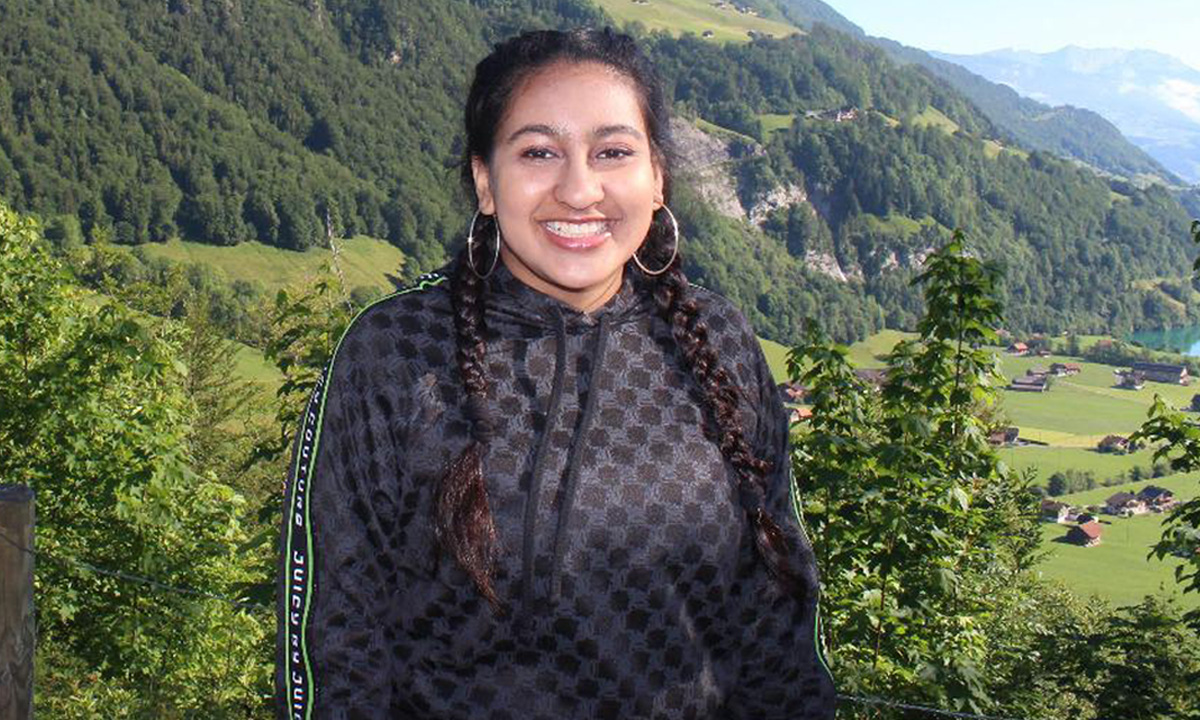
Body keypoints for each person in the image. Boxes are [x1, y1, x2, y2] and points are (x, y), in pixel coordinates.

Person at [275, 27, 837, 720]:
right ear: (486, 180)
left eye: (613, 152)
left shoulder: (719, 344)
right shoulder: (395, 353)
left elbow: (780, 626)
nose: (579, 189)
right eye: (539, 151)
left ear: (657, 175)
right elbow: (335, 642)